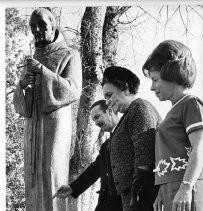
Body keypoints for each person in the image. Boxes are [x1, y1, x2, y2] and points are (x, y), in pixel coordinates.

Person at [13, 8, 82, 211]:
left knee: (52, 172)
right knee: (31, 175)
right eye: (33, 26)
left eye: (42, 24)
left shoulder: (70, 54)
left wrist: (43, 72)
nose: (37, 30)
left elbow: (73, 90)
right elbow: (21, 106)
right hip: (32, 126)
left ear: (53, 24)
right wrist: (22, 85)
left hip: (54, 124)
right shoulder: (32, 58)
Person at [142, 40, 203, 211]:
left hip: (187, 188)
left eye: (155, 80)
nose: (152, 87)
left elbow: (200, 147)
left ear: (172, 73)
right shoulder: (171, 113)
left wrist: (186, 187)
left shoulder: (190, 104)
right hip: (171, 190)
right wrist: (162, 191)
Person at [101, 66, 162, 211]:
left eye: (109, 95)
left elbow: (144, 158)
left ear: (125, 88)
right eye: (105, 98)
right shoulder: (129, 114)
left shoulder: (139, 108)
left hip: (144, 196)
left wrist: (135, 195)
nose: (107, 102)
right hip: (131, 197)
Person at [53, 100, 123, 211]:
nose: (96, 123)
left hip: (124, 203)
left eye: (97, 117)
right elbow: (95, 169)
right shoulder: (106, 146)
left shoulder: (128, 134)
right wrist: (73, 187)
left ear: (110, 111)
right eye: (94, 120)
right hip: (105, 203)